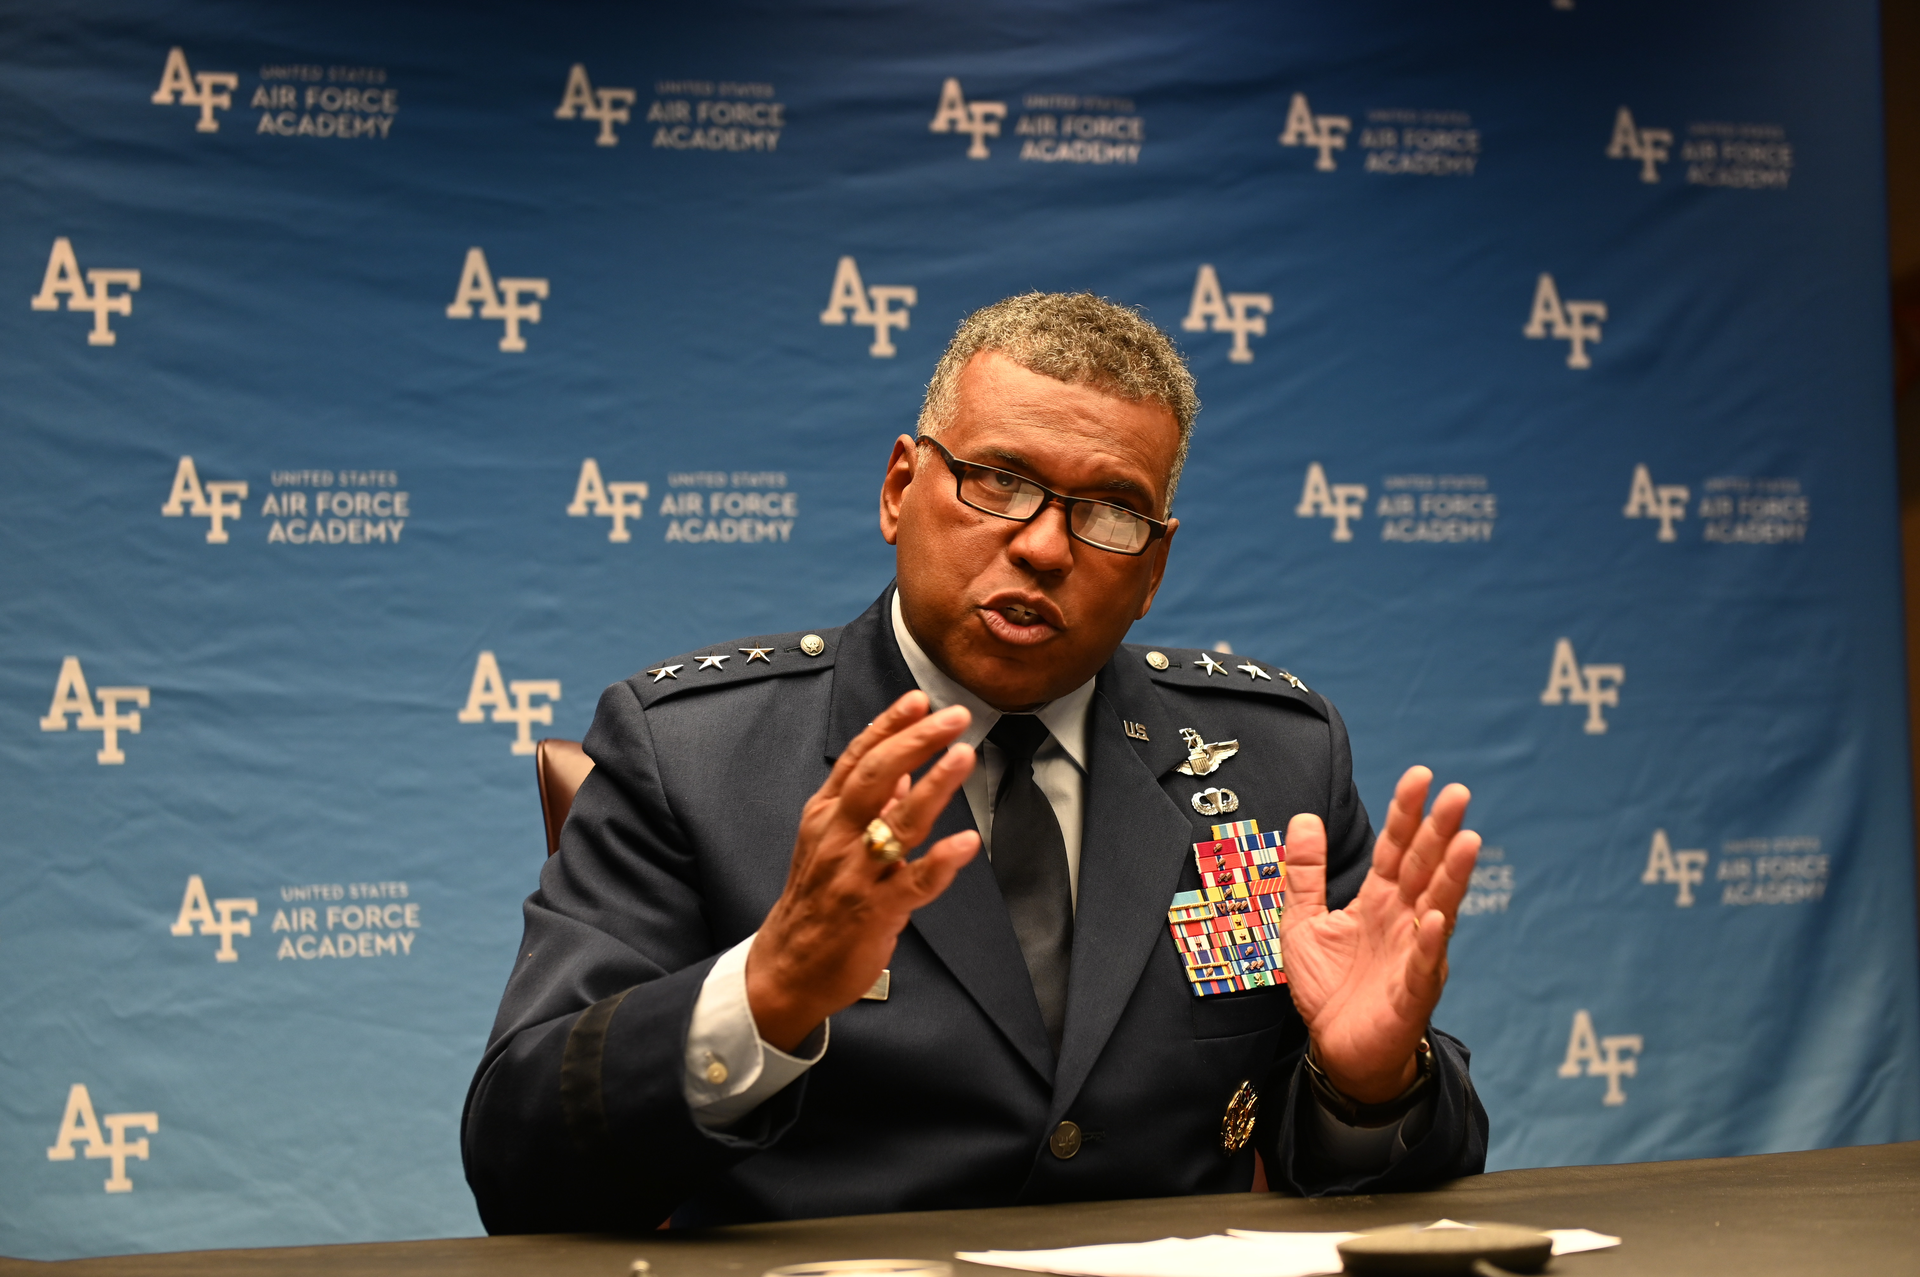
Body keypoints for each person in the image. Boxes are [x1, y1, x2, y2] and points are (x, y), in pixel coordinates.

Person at [462, 292, 1488, 1232]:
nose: (1045, 546)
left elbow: (1397, 1156)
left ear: (1154, 570)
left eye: (1111, 512)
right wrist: (763, 993)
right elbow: (517, 1150)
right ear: (901, 488)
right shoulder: (693, 752)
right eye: (999, 481)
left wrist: (1367, 1084)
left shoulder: (1276, 758)